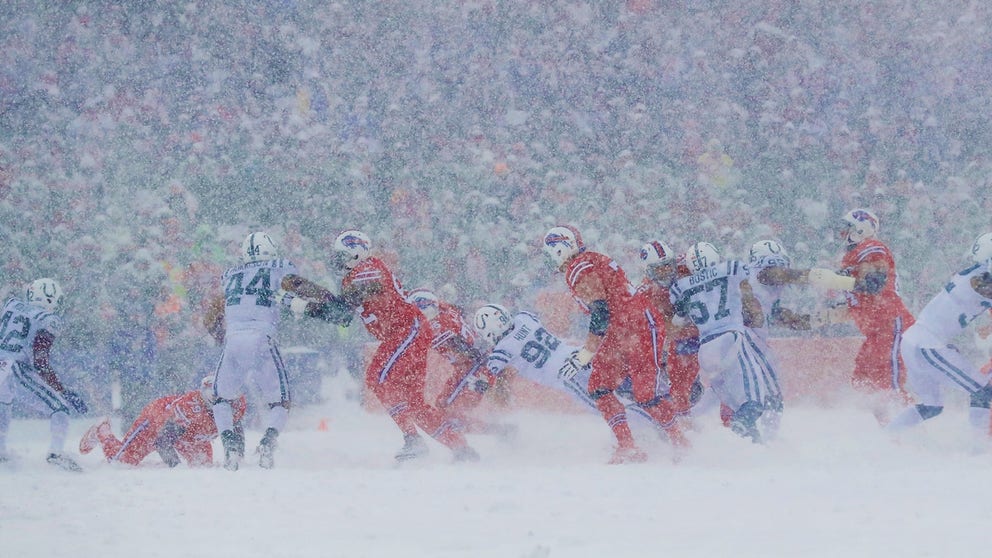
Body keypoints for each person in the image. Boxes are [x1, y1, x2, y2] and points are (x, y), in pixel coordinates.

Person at [294, 230, 478, 463]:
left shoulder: (367, 269)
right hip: (406, 332)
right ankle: (460, 447)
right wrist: (305, 301)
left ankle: (413, 440)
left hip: (406, 330)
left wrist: (306, 306)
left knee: (377, 378)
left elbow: (343, 308)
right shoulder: (358, 274)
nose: (337, 260)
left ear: (356, 252)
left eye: (342, 254)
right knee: (414, 405)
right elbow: (342, 315)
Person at [542, 225, 686, 464]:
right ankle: (627, 446)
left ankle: (681, 442)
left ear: (560, 248)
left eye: (551, 252)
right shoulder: (589, 260)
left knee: (645, 395)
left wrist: (587, 351)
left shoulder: (579, 267)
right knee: (599, 387)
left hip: (637, 325)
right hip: (619, 329)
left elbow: (600, 310)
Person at [203, 231, 334, 471]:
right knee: (280, 400)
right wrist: (327, 298)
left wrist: (218, 334)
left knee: (221, 397)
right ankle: (268, 441)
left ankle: (229, 443)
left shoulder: (230, 275)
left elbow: (212, 313)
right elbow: (296, 285)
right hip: (261, 338)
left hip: (234, 339)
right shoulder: (278, 267)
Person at [473, 304, 664, 437]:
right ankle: (664, 410)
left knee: (608, 410)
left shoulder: (502, 350)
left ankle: (655, 423)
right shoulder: (524, 317)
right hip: (580, 355)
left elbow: (489, 375)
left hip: (568, 373)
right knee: (628, 388)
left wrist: (478, 386)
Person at [669, 242, 781, 443]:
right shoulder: (732, 268)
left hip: (706, 349)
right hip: (732, 338)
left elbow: (678, 321)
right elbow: (749, 300)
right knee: (755, 401)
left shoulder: (681, 287)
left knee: (735, 403)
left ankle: (754, 445)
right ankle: (742, 429)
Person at [886, 232, 992, 442]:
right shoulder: (980, 280)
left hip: (915, 342)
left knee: (932, 407)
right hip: (929, 345)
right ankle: (977, 448)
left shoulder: (974, 274)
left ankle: (887, 436)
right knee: (982, 391)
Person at [821, 209, 916, 413]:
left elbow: (874, 284)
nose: (842, 233)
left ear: (861, 229)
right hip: (876, 331)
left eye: (847, 228)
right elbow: (859, 301)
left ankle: (912, 428)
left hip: (891, 324)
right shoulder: (852, 257)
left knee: (888, 385)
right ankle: (887, 427)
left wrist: (836, 281)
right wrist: (824, 317)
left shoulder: (872, 247)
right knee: (863, 381)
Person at [0, 278, 87, 471]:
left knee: (4, 402)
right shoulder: (48, 320)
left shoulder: (11, 304)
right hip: (15, 368)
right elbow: (40, 362)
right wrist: (62, 390)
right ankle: (55, 454)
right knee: (60, 409)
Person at [78, 377, 247, 467]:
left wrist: (238, 456)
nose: (222, 402)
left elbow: (236, 429)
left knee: (202, 465)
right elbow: (162, 441)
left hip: (192, 434)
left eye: (228, 397)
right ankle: (102, 431)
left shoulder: (237, 404)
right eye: (215, 396)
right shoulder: (189, 410)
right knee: (123, 461)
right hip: (157, 422)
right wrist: (175, 467)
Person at [405, 288, 502, 436]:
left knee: (449, 410)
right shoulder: (446, 309)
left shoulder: (438, 327)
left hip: (474, 368)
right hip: (469, 367)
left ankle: (491, 432)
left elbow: (466, 350)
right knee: (443, 406)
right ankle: (494, 431)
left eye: (424, 311)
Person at [637, 241, 702, 417]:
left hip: (709, 328)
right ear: (649, 271)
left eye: (668, 265)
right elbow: (670, 330)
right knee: (679, 377)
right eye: (659, 269)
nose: (666, 271)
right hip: (684, 337)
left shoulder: (688, 265)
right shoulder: (646, 293)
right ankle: (680, 415)